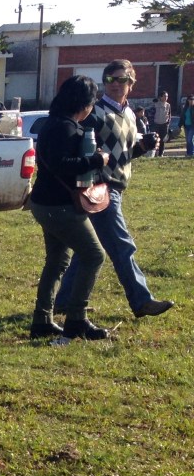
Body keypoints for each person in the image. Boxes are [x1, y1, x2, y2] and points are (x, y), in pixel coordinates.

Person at [55, 59, 173, 319]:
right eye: (111, 79)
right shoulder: (95, 113)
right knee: (121, 245)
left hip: (115, 185)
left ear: (132, 82)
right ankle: (141, 300)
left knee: (88, 249)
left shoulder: (130, 114)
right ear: (104, 82)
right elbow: (84, 149)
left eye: (122, 79)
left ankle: (63, 302)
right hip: (101, 188)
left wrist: (141, 148)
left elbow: (121, 155)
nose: (116, 84)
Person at [26, 76, 111, 340]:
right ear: (84, 103)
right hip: (60, 206)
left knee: (57, 260)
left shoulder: (54, 123)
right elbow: (64, 164)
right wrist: (96, 160)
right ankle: (77, 319)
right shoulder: (66, 127)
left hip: (44, 202)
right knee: (94, 255)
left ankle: (42, 320)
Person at [150, 91, 171, 157]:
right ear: (160, 97)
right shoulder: (156, 104)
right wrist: (152, 123)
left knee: (162, 140)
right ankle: (154, 153)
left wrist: (168, 122)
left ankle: (161, 153)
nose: (166, 97)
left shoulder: (168, 105)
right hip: (156, 124)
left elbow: (169, 114)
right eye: (164, 96)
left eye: (167, 96)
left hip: (164, 124)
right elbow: (151, 114)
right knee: (155, 139)